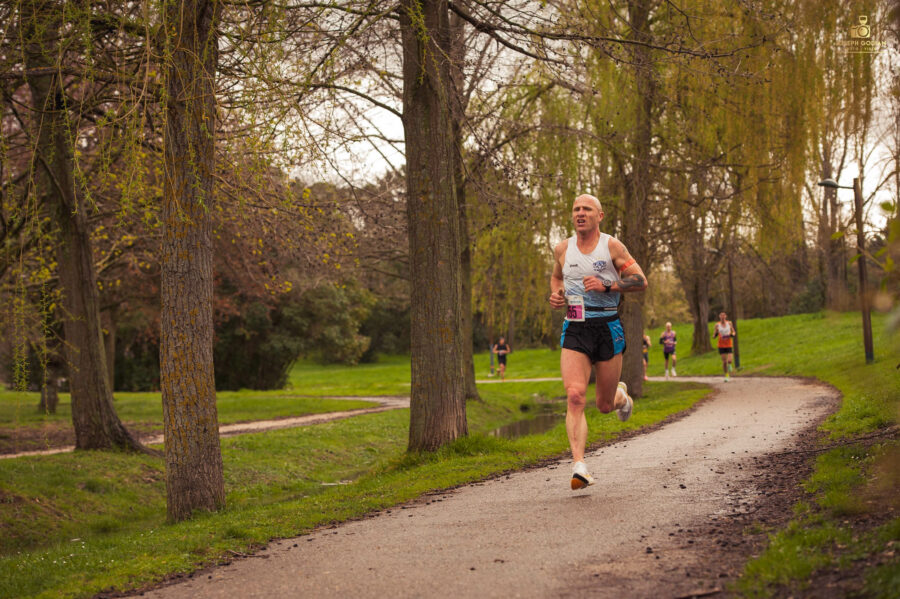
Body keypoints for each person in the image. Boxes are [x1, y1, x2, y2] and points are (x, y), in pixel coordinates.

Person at [549, 194, 648, 490]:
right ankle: (579, 465)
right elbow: (557, 278)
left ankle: (621, 397)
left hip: (607, 327)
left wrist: (609, 284)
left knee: (604, 405)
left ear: (599, 216)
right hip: (576, 326)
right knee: (575, 396)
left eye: (587, 209)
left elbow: (640, 280)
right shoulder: (562, 248)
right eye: (576, 208)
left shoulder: (612, 246)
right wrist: (555, 294)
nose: (580, 213)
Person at [713, 312, 736, 382]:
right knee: (724, 362)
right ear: (719, 317)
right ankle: (726, 375)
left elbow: (734, 332)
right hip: (721, 345)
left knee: (729, 360)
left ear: (726, 316)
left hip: (729, 344)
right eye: (721, 316)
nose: (722, 317)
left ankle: (730, 365)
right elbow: (714, 335)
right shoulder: (717, 325)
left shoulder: (729, 323)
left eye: (724, 316)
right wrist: (715, 335)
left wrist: (732, 335)